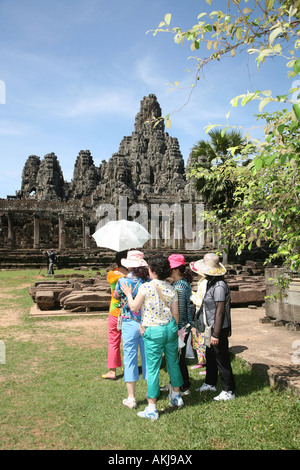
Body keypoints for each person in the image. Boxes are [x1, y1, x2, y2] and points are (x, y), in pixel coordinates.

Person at [121, 254, 184, 421]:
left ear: (153, 271)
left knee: (153, 368)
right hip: (170, 328)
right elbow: (176, 313)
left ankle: (151, 407)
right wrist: (172, 329)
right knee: (173, 363)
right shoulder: (172, 288)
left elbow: (134, 307)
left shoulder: (146, 288)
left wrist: (128, 293)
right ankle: (177, 395)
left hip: (153, 331)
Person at [190, 253, 235, 401]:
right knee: (210, 356)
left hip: (218, 328)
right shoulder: (211, 282)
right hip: (210, 326)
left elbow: (220, 311)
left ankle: (229, 390)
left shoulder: (219, 286)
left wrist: (216, 334)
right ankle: (210, 382)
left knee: (221, 359)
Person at [114, 251, 149, 409]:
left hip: (129, 322)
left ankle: (131, 397)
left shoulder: (123, 281)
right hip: (146, 322)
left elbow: (116, 296)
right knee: (148, 358)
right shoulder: (147, 281)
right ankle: (151, 393)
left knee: (130, 358)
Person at [168, 254, 194, 396]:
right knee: (178, 359)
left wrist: (177, 327)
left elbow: (181, 311)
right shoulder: (181, 283)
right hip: (183, 326)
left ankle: (184, 386)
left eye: (171, 269)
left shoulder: (180, 287)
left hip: (181, 327)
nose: (169, 272)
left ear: (177, 270)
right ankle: (177, 383)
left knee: (178, 359)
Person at [102, 250, 128, 380]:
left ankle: (112, 371)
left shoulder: (111, 275)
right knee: (131, 341)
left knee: (113, 340)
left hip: (114, 311)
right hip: (130, 311)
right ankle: (130, 367)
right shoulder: (132, 276)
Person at [190, 264, 207, 372]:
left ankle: (206, 363)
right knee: (199, 339)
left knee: (204, 339)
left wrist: (192, 297)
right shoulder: (202, 281)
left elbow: (202, 301)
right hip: (198, 313)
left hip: (203, 314)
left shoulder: (205, 283)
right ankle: (201, 361)